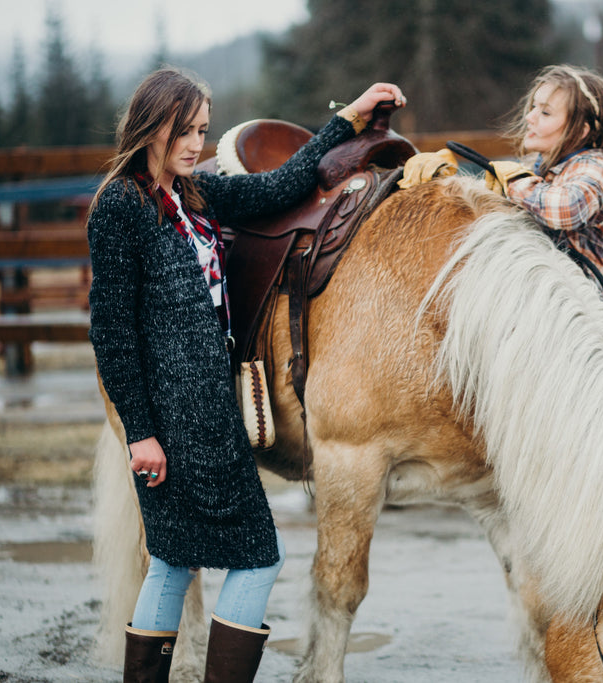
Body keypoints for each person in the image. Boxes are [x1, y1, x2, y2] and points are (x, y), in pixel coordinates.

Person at [86, 66, 405, 683]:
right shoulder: (119, 209)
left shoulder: (195, 195)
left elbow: (280, 185)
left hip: (211, 406)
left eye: (203, 130)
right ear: (152, 125)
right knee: (257, 557)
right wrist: (140, 432)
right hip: (178, 419)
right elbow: (113, 334)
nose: (196, 145)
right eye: (185, 131)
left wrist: (348, 118)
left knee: (172, 562)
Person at [489, 64, 603, 397]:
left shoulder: (593, 169)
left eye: (546, 112)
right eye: (533, 108)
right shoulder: (536, 171)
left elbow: (564, 209)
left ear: (581, 130)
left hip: (588, 326)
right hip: (542, 317)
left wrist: (512, 184)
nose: (530, 118)